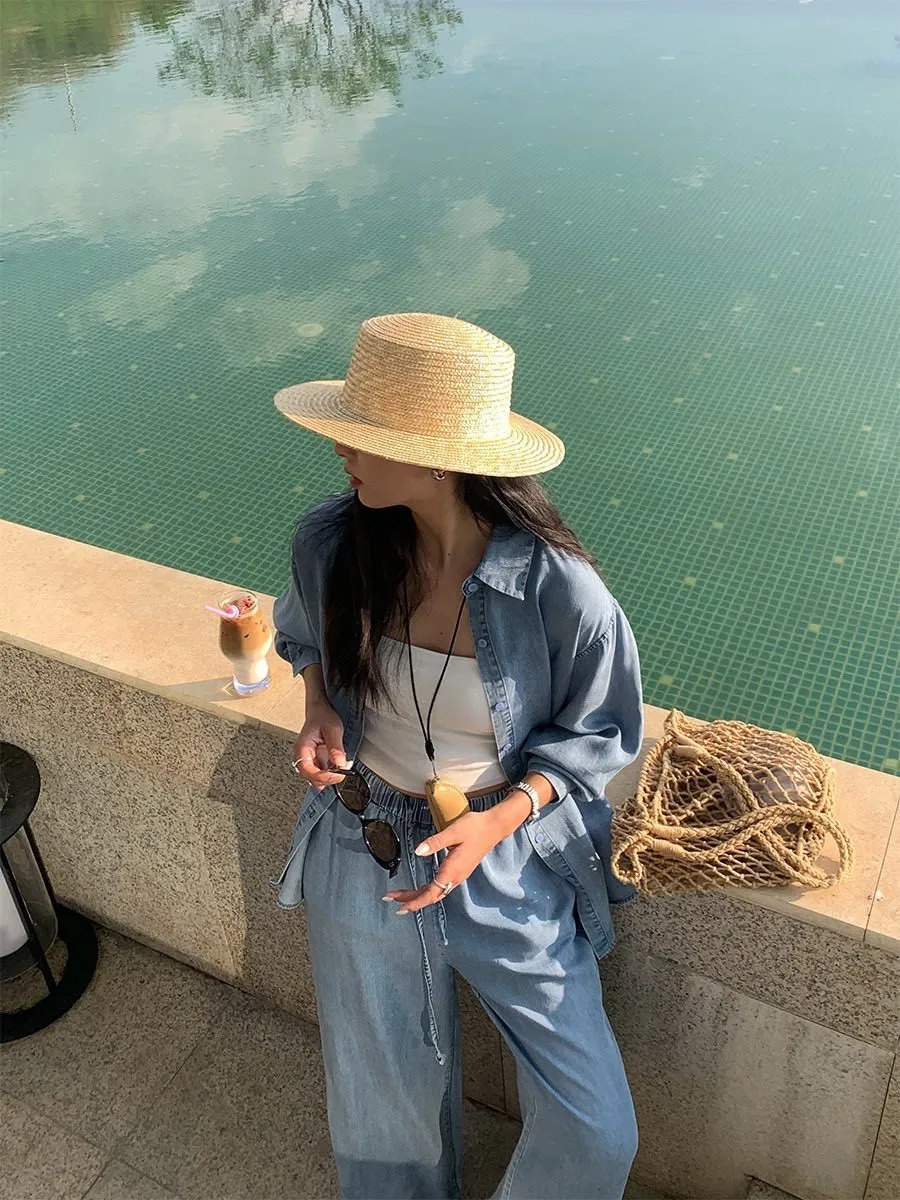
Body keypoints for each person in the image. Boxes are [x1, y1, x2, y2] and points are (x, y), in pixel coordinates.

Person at [271, 312, 644, 1200]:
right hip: (362, 833)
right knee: (380, 1091)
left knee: (596, 1127)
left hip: (501, 855)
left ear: (438, 459)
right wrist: (319, 707)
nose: (340, 451)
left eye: (361, 436)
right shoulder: (334, 542)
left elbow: (599, 735)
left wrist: (501, 819)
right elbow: (302, 633)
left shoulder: (561, 590)